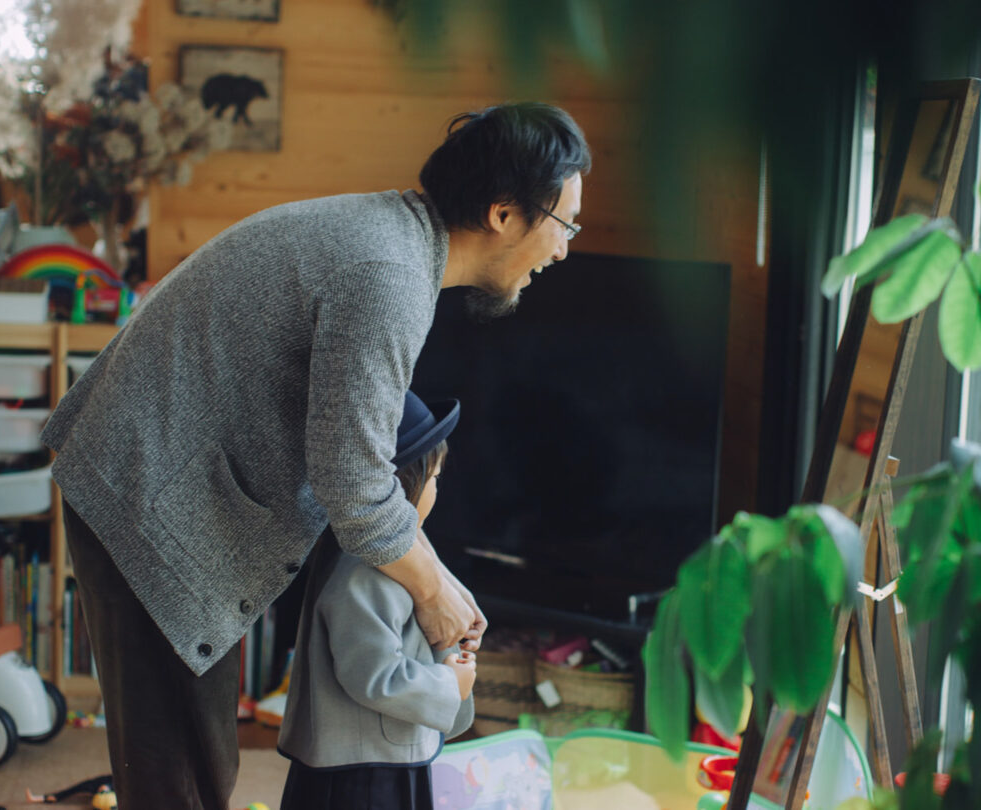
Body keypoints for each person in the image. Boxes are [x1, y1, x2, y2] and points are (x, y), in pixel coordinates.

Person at [41, 101, 589, 810]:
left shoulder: (393, 245)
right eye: (564, 223)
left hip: (157, 479)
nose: (565, 249)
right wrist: (436, 592)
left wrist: (434, 582)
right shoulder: (387, 275)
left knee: (190, 763)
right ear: (504, 214)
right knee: (181, 774)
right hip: (144, 491)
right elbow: (356, 486)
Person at [278, 390, 475, 810]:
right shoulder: (367, 569)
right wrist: (448, 686)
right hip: (361, 766)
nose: (438, 490)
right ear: (403, 484)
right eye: (435, 478)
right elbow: (371, 672)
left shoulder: (404, 547)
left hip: (385, 751)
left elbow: (441, 596)